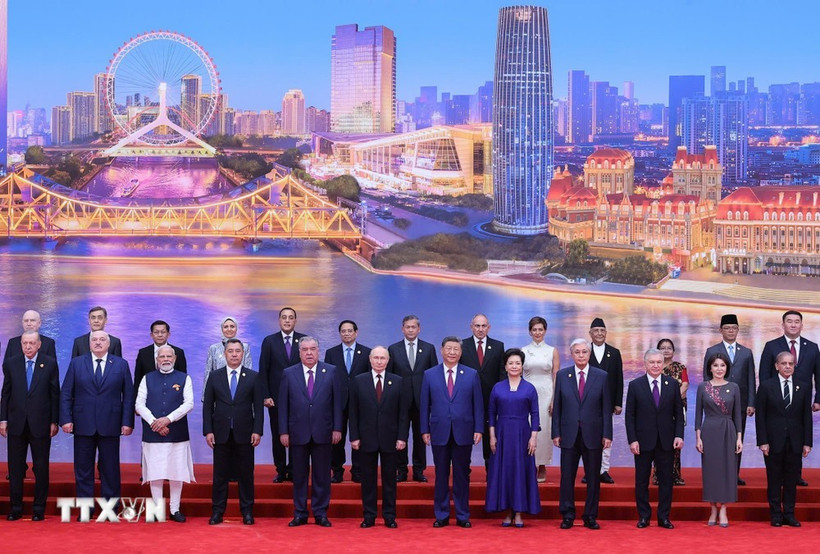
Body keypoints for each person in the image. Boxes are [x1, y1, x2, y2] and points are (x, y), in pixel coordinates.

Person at [60, 330, 134, 518]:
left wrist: (127, 422)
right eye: (94, 339)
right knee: (83, 470)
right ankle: (85, 510)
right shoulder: (77, 363)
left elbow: (128, 396)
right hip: (82, 424)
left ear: (109, 344)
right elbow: (66, 393)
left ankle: (110, 510)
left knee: (110, 470)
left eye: (102, 340)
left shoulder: (121, 364)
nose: (98, 342)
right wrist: (66, 419)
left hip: (111, 424)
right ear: (89, 343)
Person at [279, 336, 342, 527]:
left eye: (312, 349)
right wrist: (283, 431)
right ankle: (300, 513)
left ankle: (320, 512)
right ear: (299, 353)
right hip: (297, 432)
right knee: (299, 475)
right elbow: (283, 405)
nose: (309, 353)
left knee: (322, 475)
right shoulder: (289, 373)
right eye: (305, 349)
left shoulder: (330, 371)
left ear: (318, 351)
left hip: (323, 430)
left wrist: (337, 428)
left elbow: (337, 403)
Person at [420, 336, 483, 528]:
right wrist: (424, 429)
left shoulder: (471, 374)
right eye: (449, 348)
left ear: (461, 352)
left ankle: (463, 515)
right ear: (442, 350)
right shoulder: (430, 374)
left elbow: (478, 404)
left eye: (456, 349)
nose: (452, 352)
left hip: (463, 431)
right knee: (441, 475)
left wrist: (478, 428)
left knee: (462, 475)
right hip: (439, 431)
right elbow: (424, 405)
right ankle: (441, 514)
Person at [552, 338, 612, 530]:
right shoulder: (562, 375)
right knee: (566, 477)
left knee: (593, 478)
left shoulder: (601, 376)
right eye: (577, 352)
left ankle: (590, 516)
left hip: (593, 434)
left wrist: (607, 434)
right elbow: (557, 406)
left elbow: (606, 408)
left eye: (584, 352)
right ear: (571, 354)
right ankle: (567, 515)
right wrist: (555, 432)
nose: (581, 355)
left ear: (589, 354)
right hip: (568, 434)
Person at [203, 338, 264, 525]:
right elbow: (208, 406)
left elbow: (258, 408)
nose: (234, 354)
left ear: (243, 354)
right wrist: (208, 431)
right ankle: (217, 512)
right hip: (220, 433)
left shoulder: (253, 376)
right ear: (224, 354)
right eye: (231, 351)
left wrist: (257, 431)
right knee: (220, 475)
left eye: (238, 351)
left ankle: (247, 512)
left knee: (246, 475)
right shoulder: (215, 376)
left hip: (245, 433)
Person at [0, 331, 59, 521]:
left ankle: (39, 509)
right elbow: (6, 393)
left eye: (32, 343)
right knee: (15, 468)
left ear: (39, 344)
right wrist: (3, 420)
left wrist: (54, 421)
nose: (28, 346)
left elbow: (54, 394)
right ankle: (15, 508)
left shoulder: (49, 363)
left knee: (41, 467)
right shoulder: (11, 363)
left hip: (41, 424)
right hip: (16, 423)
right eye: (25, 343)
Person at [349, 346, 409, 528]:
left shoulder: (398, 381)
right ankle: (369, 516)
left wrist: (402, 437)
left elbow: (403, 413)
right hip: (366, 438)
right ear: (370, 359)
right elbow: (353, 411)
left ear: (388, 360)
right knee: (368, 479)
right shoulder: (359, 381)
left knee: (390, 480)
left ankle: (390, 516)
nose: (379, 361)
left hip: (390, 438)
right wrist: (354, 436)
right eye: (376, 358)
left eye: (383, 358)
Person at [759, 310, 819, 487]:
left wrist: (818, 398)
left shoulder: (812, 347)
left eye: (796, 321)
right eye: (789, 321)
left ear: (802, 325)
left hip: (801, 400)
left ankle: (796, 475)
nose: (793, 324)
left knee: (797, 435)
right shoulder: (771, 346)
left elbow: (819, 375)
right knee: (779, 437)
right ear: (783, 324)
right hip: (777, 402)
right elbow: (764, 374)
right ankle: (778, 477)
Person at [135, 345, 194, 523]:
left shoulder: (184, 378)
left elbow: (189, 404)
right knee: (155, 472)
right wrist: (155, 422)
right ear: (157, 360)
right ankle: (156, 509)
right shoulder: (147, 378)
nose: (166, 359)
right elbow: (139, 404)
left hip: (177, 432)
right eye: (162, 357)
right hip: (153, 432)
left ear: (174, 359)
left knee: (177, 472)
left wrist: (168, 419)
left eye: (169, 356)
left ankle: (175, 509)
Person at [626, 348, 684, 530]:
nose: (656, 365)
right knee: (642, 480)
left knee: (666, 481)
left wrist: (679, 435)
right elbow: (630, 416)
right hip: (642, 441)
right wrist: (632, 439)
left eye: (659, 362)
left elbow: (678, 413)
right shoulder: (635, 385)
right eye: (652, 362)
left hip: (666, 440)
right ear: (645, 364)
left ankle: (664, 517)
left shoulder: (672, 384)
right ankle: (644, 516)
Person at [756, 352, 813, 527]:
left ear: (794, 366)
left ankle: (789, 514)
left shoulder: (803, 387)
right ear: (776, 366)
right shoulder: (766, 386)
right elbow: (760, 416)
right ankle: (775, 515)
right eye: (784, 363)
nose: (787, 366)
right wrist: (762, 441)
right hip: (773, 442)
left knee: (791, 481)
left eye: (791, 363)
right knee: (774, 480)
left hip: (795, 441)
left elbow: (806, 416)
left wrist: (807, 442)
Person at [485, 348, 540, 528]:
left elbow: (535, 414)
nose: (514, 366)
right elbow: (491, 413)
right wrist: (492, 436)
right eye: (511, 363)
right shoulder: (497, 387)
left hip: (523, 434)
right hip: (502, 434)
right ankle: (507, 511)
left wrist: (533, 437)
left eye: (517, 363)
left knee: (520, 471)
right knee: (505, 471)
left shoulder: (529, 388)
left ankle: (518, 512)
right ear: (505, 366)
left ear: (522, 366)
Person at [702, 314, 756, 485]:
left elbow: (750, 379)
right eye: (727, 328)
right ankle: (718, 473)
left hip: (740, 404)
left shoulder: (746, 352)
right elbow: (706, 378)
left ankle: (734, 474)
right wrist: (709, 401)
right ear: (721, 330)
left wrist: (751, 403)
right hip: (717, 404)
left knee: (737, 438)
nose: (731, 331)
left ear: (738, 330)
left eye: (734, 328)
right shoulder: (712, 351)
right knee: (718, 439)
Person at [387, 315, 439, 482]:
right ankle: (401, 470)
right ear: (402, 329)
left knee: (420, 436)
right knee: (400, 436)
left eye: (413, 327)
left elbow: (434, 376)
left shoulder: (428, 348)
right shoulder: (393, 349)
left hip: (422, 401)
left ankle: (418, 470)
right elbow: (389, 376)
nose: (410, 330)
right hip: (399, 401)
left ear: (419, 329)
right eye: (407, 327)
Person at [695, 352, 742, 527]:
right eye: (715, 365)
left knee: (727, 470)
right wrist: (698, 437)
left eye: (722, 365)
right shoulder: (703, 387)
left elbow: (737, 415)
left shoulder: (734, 387)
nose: (719, 369)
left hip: (728, 430)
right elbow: (698, 414)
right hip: (709, 431)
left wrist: (739, 438)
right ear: (710, 368)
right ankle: (713, 508)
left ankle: (723, 508)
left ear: (727, 368)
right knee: (711, 471)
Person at [259, 307, 305, 482]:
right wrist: (265, 395)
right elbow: (263, 370)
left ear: (295, 321)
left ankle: (294, 469)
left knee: (297, 434)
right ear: (279, 320)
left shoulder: (303, 340)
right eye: (284, 317)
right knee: (278, 434)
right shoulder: (269, 341)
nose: (287, 320)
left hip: (299, 398)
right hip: (275, 399)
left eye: (291, 317)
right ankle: (280, 470)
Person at [324, 320, 371, 483]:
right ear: (340, 334)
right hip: (338, 402)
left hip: (360, 402)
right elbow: (327, 379)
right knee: (337, 438)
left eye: (350, 330)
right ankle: (337, 471)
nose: (346, 333)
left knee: (359, 437)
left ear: (356, 332)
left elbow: (369, 378)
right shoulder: (331, 353)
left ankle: (357, 470)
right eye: (343, 331)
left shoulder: (367, 352)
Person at [460, 314, 505, 475]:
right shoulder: (462, 345)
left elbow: (502, 374)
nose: (480, 329)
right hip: (466, 401)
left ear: (489, 327)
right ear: (471, 327)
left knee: (490, 434)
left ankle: (491, 470)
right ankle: (464, 469)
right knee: (464, 436)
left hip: (490, 399)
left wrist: (500, 397)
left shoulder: (498, 346)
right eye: (477, 326)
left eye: (483, 326)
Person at [521, 316, 559, 483]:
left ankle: (542, 464)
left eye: (540, 329)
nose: (537, 332)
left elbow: (556, 375)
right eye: (534, 329)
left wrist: (554, 399)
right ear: (530, 332)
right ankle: (528, 463)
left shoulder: (552, 351)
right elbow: (517, 373)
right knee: (527, 427)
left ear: (545, 331)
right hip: (527, 392)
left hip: (546, 393)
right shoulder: (523, 351)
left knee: (543, 430)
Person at [588, 317, 623, 485]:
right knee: (589, 437)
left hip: (608, 403)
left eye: (602, 330)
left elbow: (619, 379)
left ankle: (604, 470)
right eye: (596, 330)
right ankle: (590, 471)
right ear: (590, 333)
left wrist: (618, 402)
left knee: (607, 435)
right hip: (587, 403)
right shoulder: (584, 351)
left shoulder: (614, 353)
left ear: (606, 333)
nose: (599, 333)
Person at [657, 338, 688, 486]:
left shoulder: (680, 367)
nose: (666, 350)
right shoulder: (655, 367)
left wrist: (671, 400)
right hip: (658, 410)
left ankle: (675, 475)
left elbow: (685, 385)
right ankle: (658, 475)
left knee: (676, 442)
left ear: (673, 351)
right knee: (658, 442)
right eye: (662, 348)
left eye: (669, 348)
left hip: (676, 409)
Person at [203, 316, 252, 401]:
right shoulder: (213, 348)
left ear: (236, 328)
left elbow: (248, 370)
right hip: (218, 393)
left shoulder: (245, 347)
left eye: (232, 326)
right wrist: (205, 397)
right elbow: (208, 372)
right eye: (226, 327)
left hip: (239, 393)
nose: (229, 329)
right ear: (221, 329)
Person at [134, 320, 187, 390]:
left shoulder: (178, 352)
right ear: (151, 335)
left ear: (168, 334)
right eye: (156, 332)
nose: (160, 335)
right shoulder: (143, 353)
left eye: (163, 332)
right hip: (149, 393)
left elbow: (182, 377)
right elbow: (138, 379)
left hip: (172, 392)